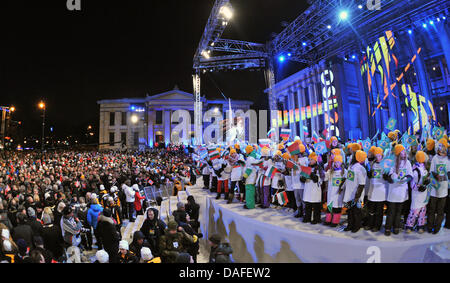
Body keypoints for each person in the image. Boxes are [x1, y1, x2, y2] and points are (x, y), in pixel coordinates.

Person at [383, 144, 413, 236]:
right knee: (391, 210)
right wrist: (391, 178)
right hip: (393, 191)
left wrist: (405, 179)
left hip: (402, 190)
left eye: (404, 151)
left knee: (399, 210)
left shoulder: (407, 163)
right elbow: (387, 174)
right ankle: (388, 227)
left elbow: (410, 175)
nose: (404, 153)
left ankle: (396, 227)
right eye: (402, 151)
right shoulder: (392, 162)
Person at [427, 138, 450, 234]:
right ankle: (430, 226)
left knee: (440, 210)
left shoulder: (448, 159)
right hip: (434, 188)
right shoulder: (435, 158)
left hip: (443, 189)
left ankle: (437, 227)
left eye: (443, 146)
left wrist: (443, 177)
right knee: (432, 209)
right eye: (440, 146)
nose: (441, 148)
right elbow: (431, 171)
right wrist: (435, 176)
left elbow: (449, 173)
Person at [342, 150, 368, 233]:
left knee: (356, 211)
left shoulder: (361, 169)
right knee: (350, 211)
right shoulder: (351, 166)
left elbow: (361, 184)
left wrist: (357, 196)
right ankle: (350, 225)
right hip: (349, 193)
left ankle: (356, 226)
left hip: (356, 194)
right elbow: (347, 178)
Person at [406, 151, 429, 234]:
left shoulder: (425, 168)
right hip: (416, 193)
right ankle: (409, 225)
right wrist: (417, 188)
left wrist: (426, 184)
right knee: (414, 210)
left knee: (423, 210)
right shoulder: (414, 168)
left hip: (424, 193)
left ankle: (420, 226)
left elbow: (428, 179)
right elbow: (411, 182)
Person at [365, 147, 387, 232]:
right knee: (371, 210)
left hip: (381, 191)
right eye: (376, 155)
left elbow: (387, 177)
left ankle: (377, 225)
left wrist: (386, 176)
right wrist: (368, 172)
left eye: (379, 155)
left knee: (379, 210)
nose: (378, 157)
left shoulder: (385, 165)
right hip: (372, 190)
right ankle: (370, 224)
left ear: (382, 155)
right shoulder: (372, 164)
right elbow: (370, 176)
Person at [323, 155, 346, 227]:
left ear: (341, 163)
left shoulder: (344, 171)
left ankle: (335, 221)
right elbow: (325, 178)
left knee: (337, 207)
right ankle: (328, 220)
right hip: (331, 192)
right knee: (330, 206)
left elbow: (346, 181)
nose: (337, 164)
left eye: (338, 162)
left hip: (339, 193)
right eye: (335, 162)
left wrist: (342, 187)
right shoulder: (330, 171)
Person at [302, 152, 322, 224]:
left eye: (311, 159)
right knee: (308, 204)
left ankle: (317, 218)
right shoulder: (307, 167)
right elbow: (302, 179)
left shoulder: (319, 168)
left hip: (315, 189)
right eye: (309, 159)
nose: (309, 161)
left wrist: (310, 173)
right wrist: (303, 177)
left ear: (315, 160)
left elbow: (317, 179)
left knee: (316, 205)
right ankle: (307, 217)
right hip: (308, 188)